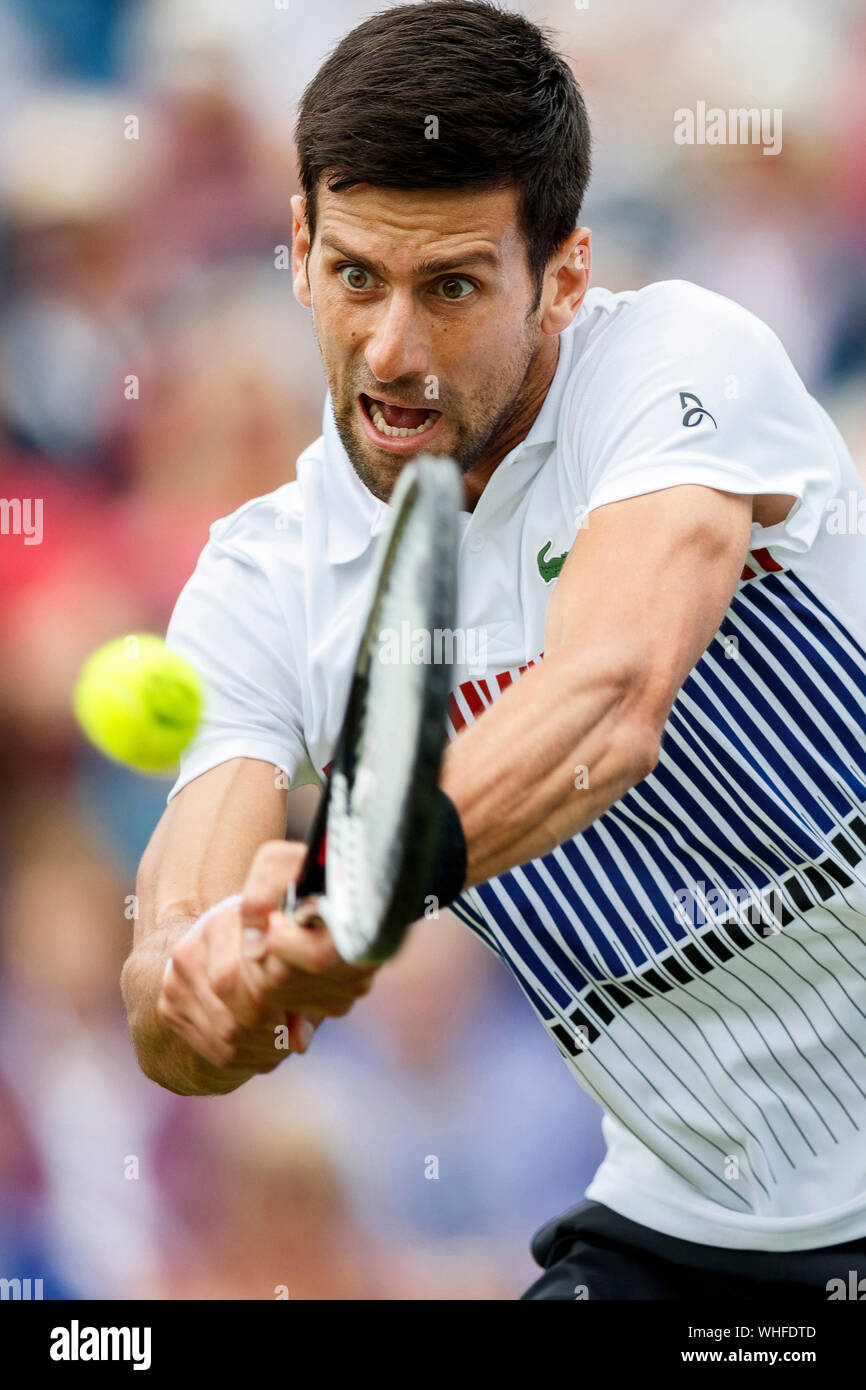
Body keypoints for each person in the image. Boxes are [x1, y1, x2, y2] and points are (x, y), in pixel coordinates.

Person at [122, 1, 866, 1299]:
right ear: (296, 250)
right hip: (689, 1228)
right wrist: (207, 991)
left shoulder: (673, 362)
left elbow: (610, 696)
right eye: (354, 275)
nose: (393, 351)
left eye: (452, 286)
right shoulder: (261, 582)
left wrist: (360, 879)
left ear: (563, 275)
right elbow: (168, 961)